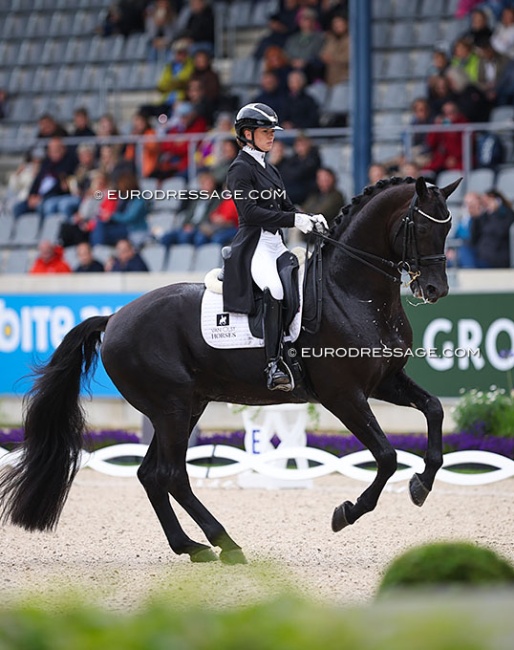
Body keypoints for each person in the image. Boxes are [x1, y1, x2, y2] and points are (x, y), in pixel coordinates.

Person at [223, 103, 327, 392]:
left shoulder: (269, 168)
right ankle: (273, 364)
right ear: (247, 134)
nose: (271, 137)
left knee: (307, 284)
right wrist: (294, 219)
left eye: (272, 132)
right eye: (265, 131)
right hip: (254, 244)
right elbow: (251, 212)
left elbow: (285, 205)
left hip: (276, 242)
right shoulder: (239, 169)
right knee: (276, 290)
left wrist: (307, 217)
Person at [90, 171, 149, 247]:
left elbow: (129, 218)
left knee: (101, 229)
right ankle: (97, 250)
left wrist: (111, 215)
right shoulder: (125, 199)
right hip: (123, 227)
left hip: (133, 229)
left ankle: (97, 249)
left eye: (121, 185)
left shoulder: (139, 200)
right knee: (100, 224)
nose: (120, 188)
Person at [470, 189, 514, 268]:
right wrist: (476, 217)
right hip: (483, 255)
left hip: (498, 257)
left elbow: (500, 231)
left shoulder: (507, 214)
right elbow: (474, 236)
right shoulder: (485, 216)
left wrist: (495, 212)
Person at [319, 13, 350, 86]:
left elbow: (348, 57)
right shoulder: (330, 38)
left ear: (346, 24)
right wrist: (324, 56)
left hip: (345, 79)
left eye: (340, 24)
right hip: (331, 78)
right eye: (335, 24)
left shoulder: (351, 39)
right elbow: (324, 52)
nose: (337, 26)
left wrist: (333, 58)